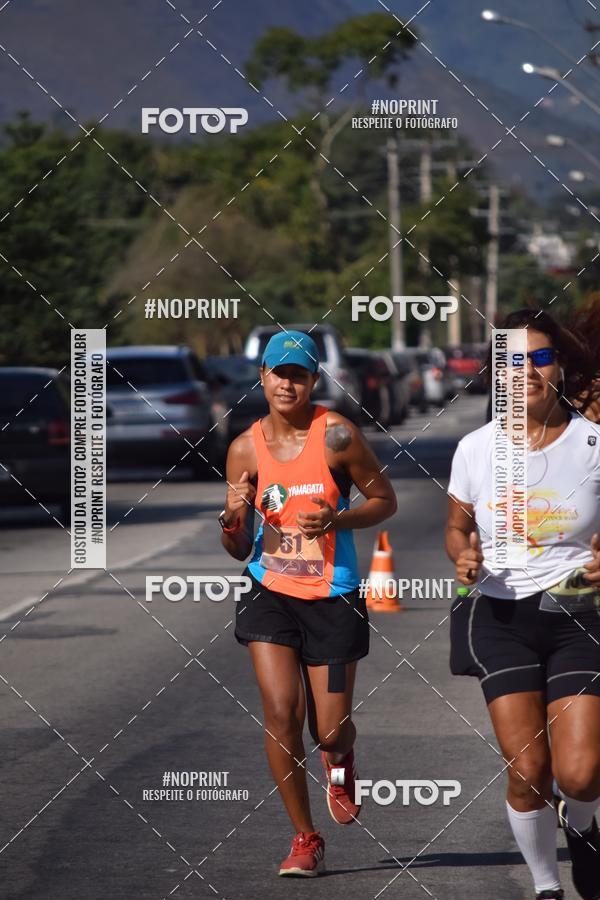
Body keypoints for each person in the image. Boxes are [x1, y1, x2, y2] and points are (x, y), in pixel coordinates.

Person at [219, 330, 397, 876]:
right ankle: (304, 838)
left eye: (298, 374)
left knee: (330, 727)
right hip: (269, 592)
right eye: (278, 373)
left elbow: (385, 500)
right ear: (263, 377)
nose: (287, 383)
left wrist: (339, 519)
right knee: (280, 713)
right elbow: (234, 547)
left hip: (334, 598)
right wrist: (232, 516)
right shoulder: (244, 447)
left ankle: (339, 758)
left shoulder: (337, 436)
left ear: (314, 380)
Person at [446, 308, 600, 900]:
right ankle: (545, 887)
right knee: (530, 769)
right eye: (513, 360)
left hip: (580, 615)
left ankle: (583, 830)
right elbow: (456, 527)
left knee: (582, 773)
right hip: (500, 616)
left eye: (540, 357)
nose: (528, 370)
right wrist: (462, 556)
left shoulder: (592, 445)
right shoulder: (475, 449)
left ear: (558, 366)